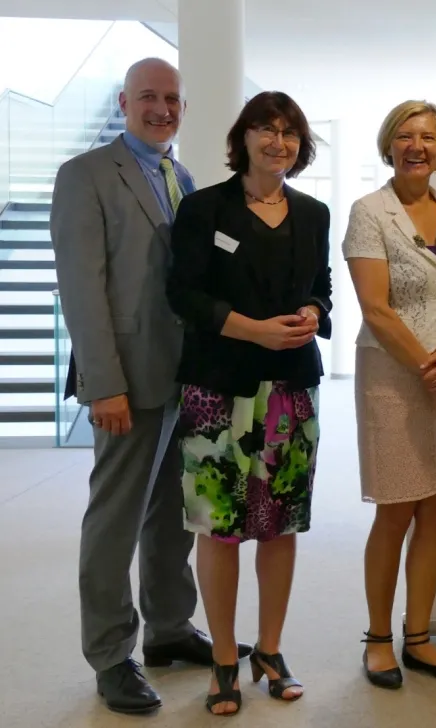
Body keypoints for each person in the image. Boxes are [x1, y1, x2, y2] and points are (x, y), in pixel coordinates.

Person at [50, 57, 250, 715]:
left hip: (182, 377)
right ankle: (111, 656)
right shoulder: (85, 176)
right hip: (126, 383)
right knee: (116, 521)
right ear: (123, 102)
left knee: (172, 518)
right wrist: (103, 384)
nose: (161, 109)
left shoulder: (182, 177)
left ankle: (168, 629)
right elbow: (82, 288)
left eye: (172, 99)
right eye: (148, 98)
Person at [166, 91, 330, 715]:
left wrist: (314, 312)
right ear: (243, 138)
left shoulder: (313, 213)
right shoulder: (205, 208)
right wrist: (252, 328)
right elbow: (183, 295)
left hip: (291, 389)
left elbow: (322, 288)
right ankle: (225, 661)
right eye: (265, 129)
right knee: (220, 528)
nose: (278, 142)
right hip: (218, 388)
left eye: (289, 132)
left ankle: (270, 649)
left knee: (280, 525)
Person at [343, 99, 436, 689]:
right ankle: (378, 638)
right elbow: (376, 307)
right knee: (397, 509)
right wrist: (435, 372)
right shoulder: (369, 212)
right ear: (389, 145)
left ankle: (419, 636)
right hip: (395, 376)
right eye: (406, 136)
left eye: (428, 136)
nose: (417, 146)